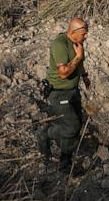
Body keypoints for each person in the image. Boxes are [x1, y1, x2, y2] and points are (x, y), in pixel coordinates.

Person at [35, 17, 91, 173]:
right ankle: (45, 134)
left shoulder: (77, 43)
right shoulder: (59, 44)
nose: (86, 37)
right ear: (73, 32)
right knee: (71, 127)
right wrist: (78, 56)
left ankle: (65, 160)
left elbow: (80, 63)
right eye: (84, 34)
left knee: (76, 123)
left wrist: (85, 76)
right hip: (59, 92)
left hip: (73, 91)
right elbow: (63, 74)